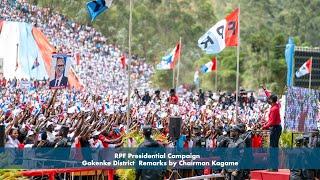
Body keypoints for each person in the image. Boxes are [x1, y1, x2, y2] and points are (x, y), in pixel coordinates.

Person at [261, 85, 282, 171]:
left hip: (275, 128)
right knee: (273, 147)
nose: (268, 100)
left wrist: (265, 126)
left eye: (269, 99)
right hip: (276, 128)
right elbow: (269, 95)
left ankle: (273, 167)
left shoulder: (274, 109)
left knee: (273, 148)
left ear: (271, 101)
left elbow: (272, 121)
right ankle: (274, 167)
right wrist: (265, 90)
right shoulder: (276, 105)